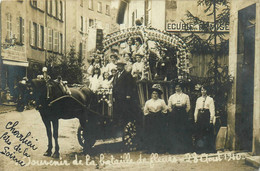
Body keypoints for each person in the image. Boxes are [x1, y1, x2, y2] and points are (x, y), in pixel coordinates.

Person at [112, 60, 141, 126]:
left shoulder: (127, 74)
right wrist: (113, 95)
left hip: (124, 95)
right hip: (117, 96)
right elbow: (114, 85)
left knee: (124, 109)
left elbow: (129, 85)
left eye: (120, 66)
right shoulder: (116, 75)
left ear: (123, 66)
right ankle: (118, 123)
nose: (118, 67)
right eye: (117, 66)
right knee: (117, 109)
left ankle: (125, 122)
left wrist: (128, 95)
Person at [143, 84, 168, 152]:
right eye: (153, 93)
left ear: (158, 94)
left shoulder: (161, 101)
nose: (155, 95)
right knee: (151, 133)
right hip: (151, 119)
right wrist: (149, 115)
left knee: (159, 133)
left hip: (159, 118)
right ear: (151, 94)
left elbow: (165, 109)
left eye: (156, 93)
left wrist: (161, 113)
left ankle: (159, 149)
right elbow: (145, 111)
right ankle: (151, 149)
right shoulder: (148, 102)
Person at [167, 84, 191, 153]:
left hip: (182, 114)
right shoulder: (172, 96)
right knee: (175, 130)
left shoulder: (185, 96)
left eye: (179, 87)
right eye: (176, 87)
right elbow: (169, 106)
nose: (177, 88)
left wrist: (183, 113)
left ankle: (183, 149)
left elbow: (188, 106)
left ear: (181, 87)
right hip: (174, 115)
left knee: (182, 130)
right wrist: (173, 113)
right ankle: (175, 149)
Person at [194, 86, 215, 152]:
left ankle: (207, 148)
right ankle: (200, 149)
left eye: (205, 90)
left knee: (207, 132)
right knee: (200, 132)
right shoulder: (198, 99)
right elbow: (196, 109)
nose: (203, 92)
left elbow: (212, 110)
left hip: (206, 115)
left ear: (207, 91)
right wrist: (195, 118)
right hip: (200, 116)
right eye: (202, 90)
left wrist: (211, 119)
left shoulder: (210, 99)